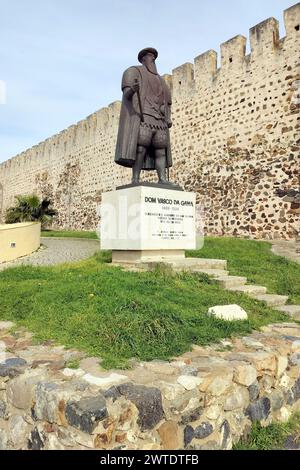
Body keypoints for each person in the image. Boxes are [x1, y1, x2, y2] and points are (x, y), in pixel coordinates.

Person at [115, 47, 175, 186]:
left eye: (154, 57)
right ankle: (135, 178)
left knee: (161, 150)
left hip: (159, 120)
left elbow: (167, 103)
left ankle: (162, 179)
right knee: (140, 148)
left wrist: (167, 116)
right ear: (143, 59)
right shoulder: (134, 72)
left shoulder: (161, 81)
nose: (153, 59)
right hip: (144, 117)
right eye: (150, 56)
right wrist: (132, 89)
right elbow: (127, 95)